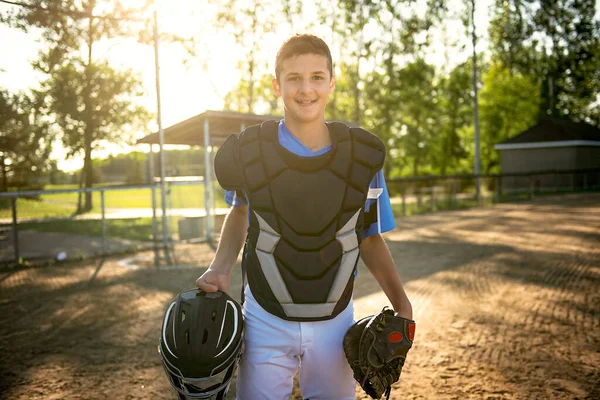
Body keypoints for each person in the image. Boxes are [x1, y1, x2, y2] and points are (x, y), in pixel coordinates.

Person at [196, 33, 412, 400]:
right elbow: (241, 211)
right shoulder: (250, 153)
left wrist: (402, 303)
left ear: (331, 82)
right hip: (264, 317)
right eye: (293, 78)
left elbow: (371, 235)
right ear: (277, 86)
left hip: (335, 319)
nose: (305, 88)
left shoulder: (361, 157)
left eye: (315, 77)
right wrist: (220, 268)